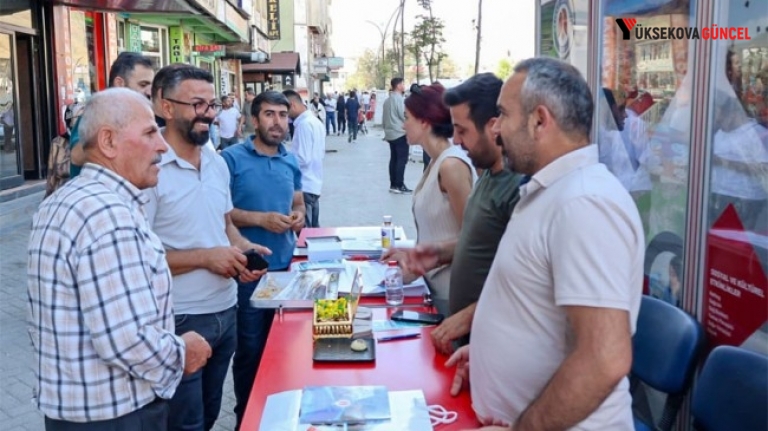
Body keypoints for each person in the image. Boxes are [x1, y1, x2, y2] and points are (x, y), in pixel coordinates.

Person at [446, 57, 643, 430]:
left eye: (503, 114)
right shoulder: (552, 192)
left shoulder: (584, 203)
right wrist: (491, 357)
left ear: (540, 120)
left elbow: (604, 358)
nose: (497, 128)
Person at [28, 88, 212, 431]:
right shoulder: (108, 215)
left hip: (75, 412)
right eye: (149, 132)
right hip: (117, 416)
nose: (162, 145)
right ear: (108, 142)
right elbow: (127, 339)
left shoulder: (65, 200)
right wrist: (182, 352)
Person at [145, 64, 269, 431]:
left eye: (212, 104)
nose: (210, 114)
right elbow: (137, 260)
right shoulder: (149, 170)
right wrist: (206, 258)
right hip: (178, 321)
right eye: (198, 104)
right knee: (184, 424)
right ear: (166, 107)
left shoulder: (216, 163)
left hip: (225, 311)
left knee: (210, 413)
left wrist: (244, 249)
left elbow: (225, 223)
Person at [398, 73, 522, 354]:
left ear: (494, 126)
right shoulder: (489, 175)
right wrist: (429, 253)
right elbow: (473, 237)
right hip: (467, 329)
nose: (456, 139)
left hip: (489, 333)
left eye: (462, 130)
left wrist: (472, 315)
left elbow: (524, 279)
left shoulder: (517, 186)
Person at [222, 91, 304, 429]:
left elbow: (297, 202)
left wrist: (298, 216)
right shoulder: (230, 159)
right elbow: (221, 214)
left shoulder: (290, 160)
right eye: (269, 114)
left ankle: (280, 417)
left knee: (285, 352)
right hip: (249, 273)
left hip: (287, 270)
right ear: (254, 120)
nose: (277, 122)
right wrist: (261, 220)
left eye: (283, 115)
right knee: (251, 353)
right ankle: (247, 419)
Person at [385, 83, 477, 316]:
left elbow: (474, 239)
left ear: (425, 121)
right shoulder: (436, 162)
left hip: (453, 292)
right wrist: (410, 251)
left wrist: (424, 259)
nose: (403, 124)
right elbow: (439, 230)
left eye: (407, 118)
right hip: (436, 287)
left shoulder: (451, 166)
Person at [70, 52, 155, 176]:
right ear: (119, 83)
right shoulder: (98, 110)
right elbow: (76, 157)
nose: (149, 92)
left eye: (151, 86)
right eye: (143, 85)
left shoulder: (141, 113)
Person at [284, 89, 326, 228]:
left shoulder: (304, 125)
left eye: (284, 111)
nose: (284, 116)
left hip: (304, 184)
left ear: (292, 105)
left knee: (305, 233)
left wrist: (283, 162)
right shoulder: (314, 122)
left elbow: (302, 158)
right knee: (314, 232)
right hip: (313, 183)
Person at [45, 102, 85, 197]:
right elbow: (51, 175)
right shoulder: (58, 142)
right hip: (62, 194)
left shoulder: (90, 141)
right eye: (78, 118)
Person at [383, 78, 411, 193]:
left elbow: (383, 118)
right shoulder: (399, 99)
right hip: (400, 132)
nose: (404, 86)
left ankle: (393, 184)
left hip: (390, 133)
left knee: (393, 159)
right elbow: (403, 114)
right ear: (398, 86)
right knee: (401, 160)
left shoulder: (387, 100)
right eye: (403, 84)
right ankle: (399, 185)